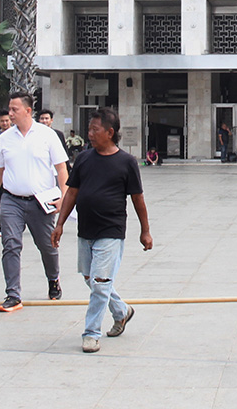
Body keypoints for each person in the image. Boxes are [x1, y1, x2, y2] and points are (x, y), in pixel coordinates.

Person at [51, 107, 152, 353]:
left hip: (111, 231)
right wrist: (60, 223)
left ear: (110, 132)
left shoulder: (126, 162)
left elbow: (138, 199)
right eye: (89, 129)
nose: (90, 134)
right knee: (90, 279)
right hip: (86, 231)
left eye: (95, 130)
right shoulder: (84, 158)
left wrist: (145, 231)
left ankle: (91, 333)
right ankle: (121, 311)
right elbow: (72, 192)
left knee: (99, 281)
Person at [0, 93, 70, 312]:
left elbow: (62, 168)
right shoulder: (3, 139)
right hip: (11, 200)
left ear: (27, 110)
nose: (10, 114)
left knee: (47, 246)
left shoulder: (47, 135)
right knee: (11, 245)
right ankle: (12, 294)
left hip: (40, 202)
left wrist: (64, 197)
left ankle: (53, 279)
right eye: (9, 109)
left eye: (14, 109)